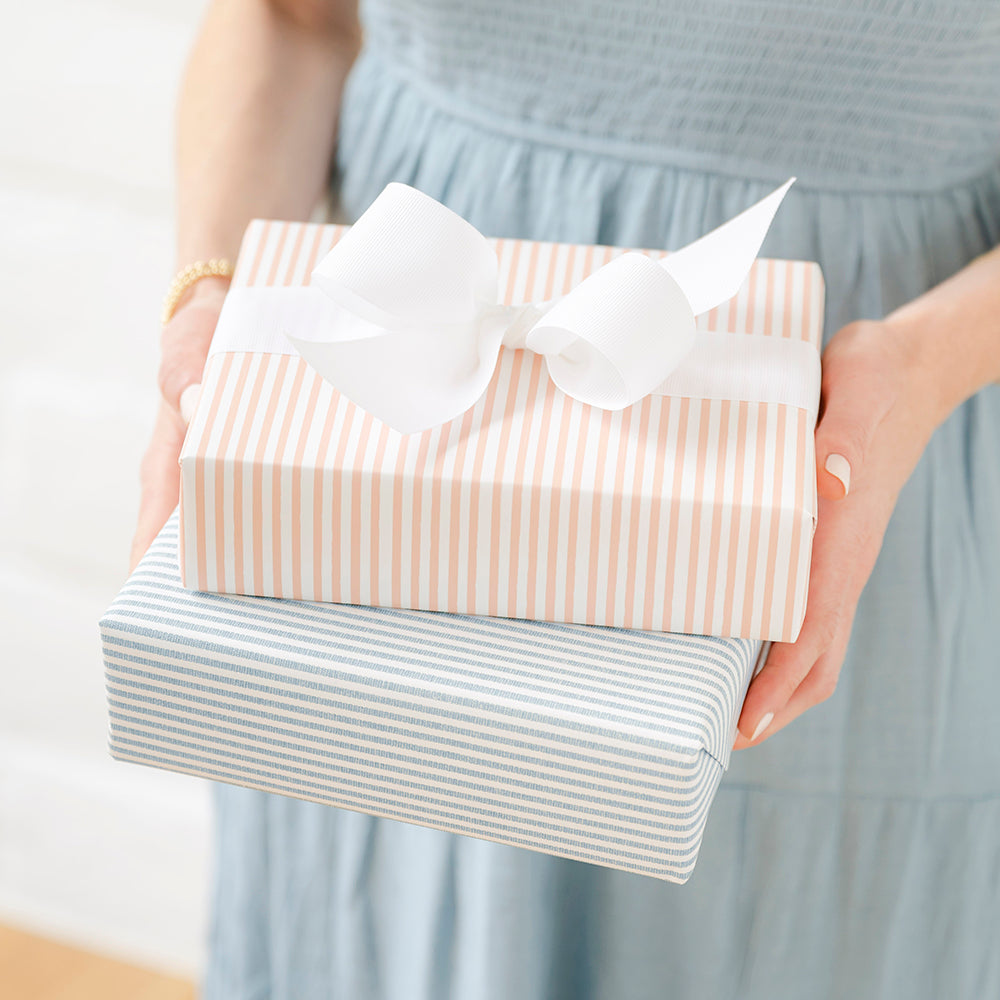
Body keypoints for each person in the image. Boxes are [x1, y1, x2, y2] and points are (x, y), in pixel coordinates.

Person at [131, 1, 1000, 996]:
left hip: (839, 450)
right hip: (389, 457)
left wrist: (924, 363)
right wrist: (209, 301)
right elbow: (290, 20)